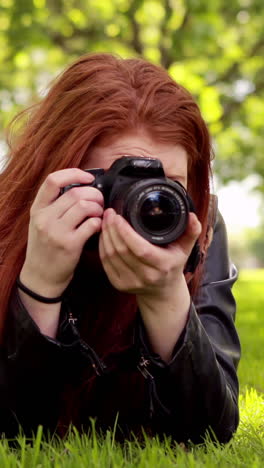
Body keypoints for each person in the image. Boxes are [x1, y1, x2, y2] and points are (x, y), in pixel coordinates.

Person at [0, 53, 240, 444]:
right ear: (59, 173)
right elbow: (18, 436)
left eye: (170, 184)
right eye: (117, 180)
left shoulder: (199, 226)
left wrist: (165, 296)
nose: (150, 203)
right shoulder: (8, 222)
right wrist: (40, 284)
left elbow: (212, 432)